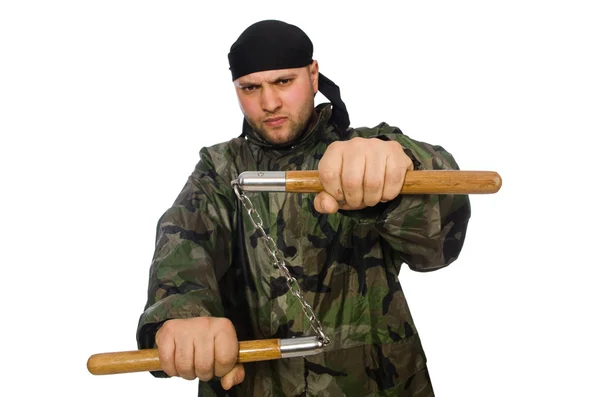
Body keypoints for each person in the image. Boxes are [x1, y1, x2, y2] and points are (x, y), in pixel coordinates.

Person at [136, 19, 471, 397]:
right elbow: (184, 239)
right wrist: (183, 315)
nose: (269, 103)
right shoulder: (220, 170)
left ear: (313, 76)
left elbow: (439, 246)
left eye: (283, 82)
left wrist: (399, 167)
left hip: (378, 383)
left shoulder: (366, 150)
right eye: (250, 88)